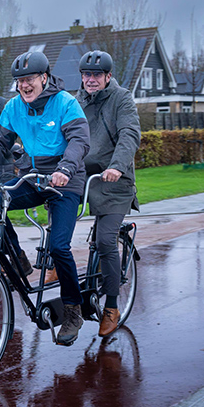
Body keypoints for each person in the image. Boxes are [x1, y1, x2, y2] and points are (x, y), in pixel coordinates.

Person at [0, 52, 90, 346]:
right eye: (20, 81)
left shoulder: (65, 102)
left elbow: (79, 140)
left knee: (59, 246)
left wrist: (65, 168)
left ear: (44, 78)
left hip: (65, 180)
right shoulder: (14, 107)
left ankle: (73, 311)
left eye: (29, 79)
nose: (24, 86)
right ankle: (20, 261)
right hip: (32, 176)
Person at [75, 50, 141, 337]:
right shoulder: (75, 101)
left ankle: (111, 307)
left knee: (104, 241)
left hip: (114, 179)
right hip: (83, 175)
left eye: (96, 75)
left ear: (108, 76)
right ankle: (52, 263)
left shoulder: (122, 98)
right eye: (87, 75)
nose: (91, 80)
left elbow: (130, 134)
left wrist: (117, 166)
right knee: (56, 206)